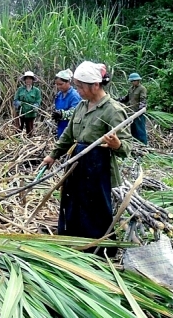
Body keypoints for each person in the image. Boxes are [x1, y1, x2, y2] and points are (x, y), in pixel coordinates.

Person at [42, 61, 132, 256]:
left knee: (96, 207)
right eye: (77, 86)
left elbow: (127, 148)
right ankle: (72, 240)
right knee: (72, 201)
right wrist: (53, 155)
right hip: (76, 163)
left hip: (98, 167)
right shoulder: (81, 106)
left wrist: (117, 145)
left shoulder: (113, 110)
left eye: (82, 87)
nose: (79, 90)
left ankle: (98, 249)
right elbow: (68, 134)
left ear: (95, 85)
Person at [119, 73, 148, 145]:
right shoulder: (131, 89)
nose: (132, 82)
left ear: (138, 80)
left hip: (138, 113)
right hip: (131, 113)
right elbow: (127, 98)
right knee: (133, 129)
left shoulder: (142, 89)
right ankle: (135, 143)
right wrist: (118, 100)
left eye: (134, 81)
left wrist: (140, 110)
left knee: (140, 129)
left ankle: (143, 144)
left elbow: (143, 100)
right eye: (131, 81)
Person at [52, 69, 82, 139]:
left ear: (68, 82)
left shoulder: (75, 95)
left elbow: (75, 112)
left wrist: (62, 114)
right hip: (61, 125)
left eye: (61, 84)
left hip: (71, 127)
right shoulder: (59, 95)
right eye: (57, 84)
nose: (59, 87)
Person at [13, 71, 42, 136]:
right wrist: (18, 103)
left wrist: (36, 106)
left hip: (31, 113)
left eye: (30, 79)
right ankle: (17, 142)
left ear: (32, 80)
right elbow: (15, 100)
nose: (28, 80)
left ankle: (29, 142)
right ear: (25, 80)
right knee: (18, 129)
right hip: (21, 112)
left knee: (30, 131)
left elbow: (38, 100)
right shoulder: (20, 89)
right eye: (27, 79)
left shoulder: (36, 90)